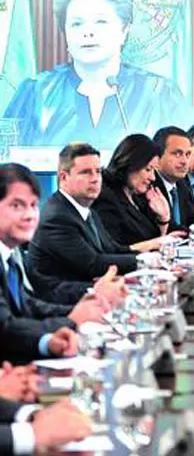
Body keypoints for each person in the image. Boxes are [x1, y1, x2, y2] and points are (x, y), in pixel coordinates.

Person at [2, 0, 194, 152]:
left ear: (124, 30)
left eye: (100, 22)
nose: (88, 32)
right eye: (77, 23)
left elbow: (184, 159)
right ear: (65, 32)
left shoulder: (159, 92)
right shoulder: (37, 92)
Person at [0, 163, 114, 333]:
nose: (30, 215)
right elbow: (5, 327)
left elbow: (27, 305)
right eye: (17, 206)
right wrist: (71, 320)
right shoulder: (57, 216)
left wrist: (83, 310)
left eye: (33, 205)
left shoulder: (10, 253)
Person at [27, 143, 142, 303]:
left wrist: (152, 258)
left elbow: (113, 249)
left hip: (90, 293)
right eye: (86, 173)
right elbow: (93, 264)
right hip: (63, 303)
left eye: (98, 172)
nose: (95, 179)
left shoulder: (88, 210)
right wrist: (145, 262)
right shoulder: (57, 217)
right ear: (64, 177)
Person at [92, 134, 180, 249]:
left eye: (154, 170)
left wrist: (164, 218)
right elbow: (114, 250)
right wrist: (156, 242)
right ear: (131, 164)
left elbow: (166, 237)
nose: (153, 177)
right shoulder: (104, 197)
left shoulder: (140, 195)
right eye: (148, 169)